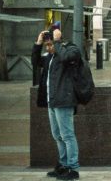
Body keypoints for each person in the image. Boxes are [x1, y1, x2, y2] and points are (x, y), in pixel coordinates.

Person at [38, 32, 83, 180]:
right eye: (47, 45)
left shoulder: (71, 49)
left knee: (67, 135)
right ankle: (63, 165)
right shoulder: (50, 57)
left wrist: (56, 42)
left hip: (64, 100)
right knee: (57, 135)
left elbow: (67, 57)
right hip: (52, 101)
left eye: (51, 44)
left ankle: (73, 168)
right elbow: (35, 61)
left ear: (58, 41)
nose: (49, 48)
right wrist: (38, 43)